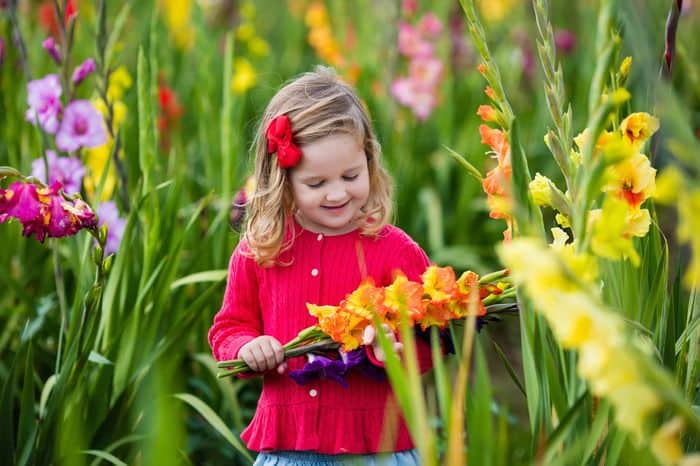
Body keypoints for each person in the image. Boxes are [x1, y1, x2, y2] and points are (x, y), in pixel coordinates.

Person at [208, 66, 432, 466]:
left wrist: (395, 350)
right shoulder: (260, 251)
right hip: (289, 448)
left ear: (369, 162)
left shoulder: (394, 250)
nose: (337, 193)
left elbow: (433, 330)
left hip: (377, 448)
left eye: (351, 175)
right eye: (316, 183)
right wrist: (248, 346)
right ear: (283, 180)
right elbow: (228, 328)